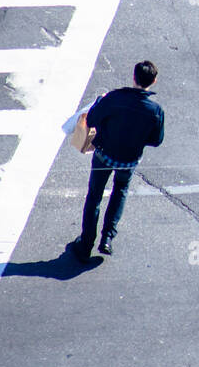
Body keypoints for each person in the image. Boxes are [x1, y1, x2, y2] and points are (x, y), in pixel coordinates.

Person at [69, 61, 165, 262]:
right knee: (119, 191)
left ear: (134, 77)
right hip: (129, 160)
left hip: (104, 153)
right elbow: (156, 140)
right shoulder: (155, 110)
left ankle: (86, 243)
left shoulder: (114, 98)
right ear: (154, 81)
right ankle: (107, 238)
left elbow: (92, 119)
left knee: (94, 196)